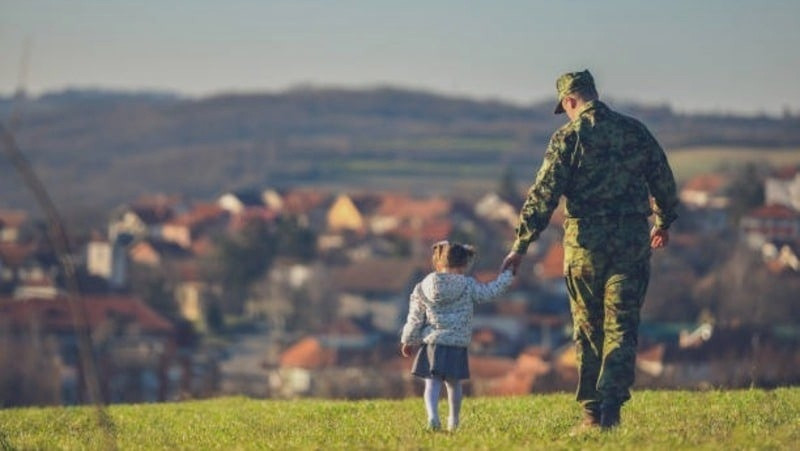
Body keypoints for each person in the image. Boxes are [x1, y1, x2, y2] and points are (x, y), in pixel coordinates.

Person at [501, 70, 679, 430]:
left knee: (589, 328)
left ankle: (592, 415)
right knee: (622, 326)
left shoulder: (569, 137)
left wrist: (521, 243)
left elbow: (543, 195)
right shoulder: (634, 131)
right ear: (593, 93)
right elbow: (663, 179)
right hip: (631, 241)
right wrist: (662, 222)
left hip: (586, 247)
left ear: (569, 101)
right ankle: (613, 410)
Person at [401, 240, 513, 431]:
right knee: (454, 385)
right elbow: (490, 292)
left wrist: (408, 340)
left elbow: (415, 318)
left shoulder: (421, 287)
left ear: (438, 262)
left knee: (432, 384)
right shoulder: (468, 285)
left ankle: (433, 418)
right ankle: (453, 421)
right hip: (456, 344)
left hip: (432, 344)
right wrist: (507, 276)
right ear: (464, 265)